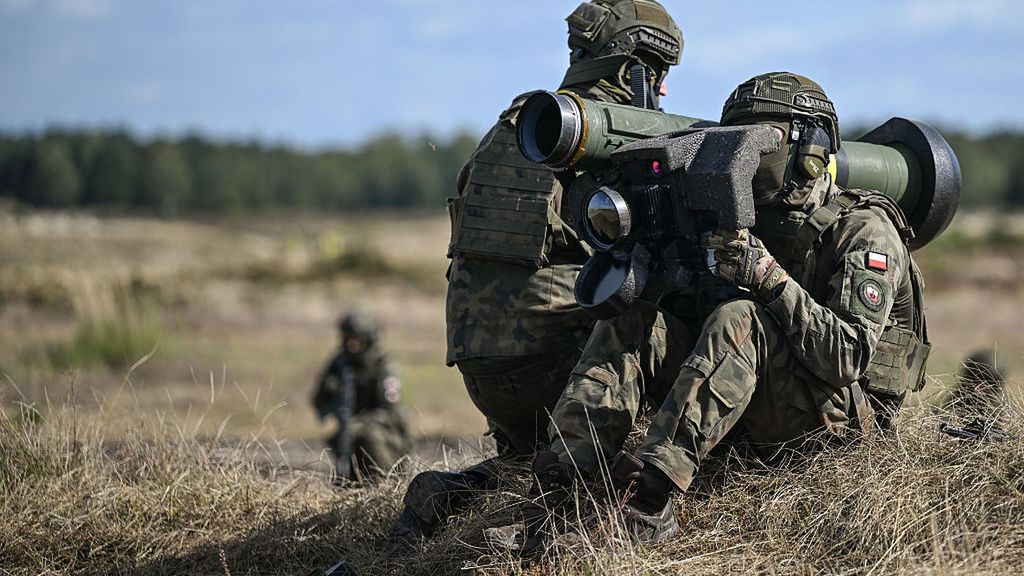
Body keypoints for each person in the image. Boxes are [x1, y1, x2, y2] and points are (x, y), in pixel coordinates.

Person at [524, 71, 931, 547]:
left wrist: (764, 275)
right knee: (634, 323)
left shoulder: (863, 230)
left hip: (838, 426)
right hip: (754, 408)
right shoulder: (735, 217)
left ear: (811, 151)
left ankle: (647, 501)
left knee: (740, 318)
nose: (744, 159)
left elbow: (846, 359)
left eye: (761, 144)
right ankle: (558, 495)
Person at [390, 0, 685, 542]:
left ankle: (454, 495)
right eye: (660, 74)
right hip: (555, 366)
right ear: (633, 69)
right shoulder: (606, 143)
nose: (664, 91)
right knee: (667, 324)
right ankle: (565, 512)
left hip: (482, 369)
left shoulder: (517, 126)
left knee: (523, 459)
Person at [312, 309, 410, 481]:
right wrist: (333, 400)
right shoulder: (340, 363)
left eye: (358, 341)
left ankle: (383, 483)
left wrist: (358, 423)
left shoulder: (382, 365)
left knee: (368, 436)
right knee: (341, 438)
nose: (353, 346)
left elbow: (391, 413)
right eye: (349, 340)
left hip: (387, 434)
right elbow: (318, 400)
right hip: (350, 430)